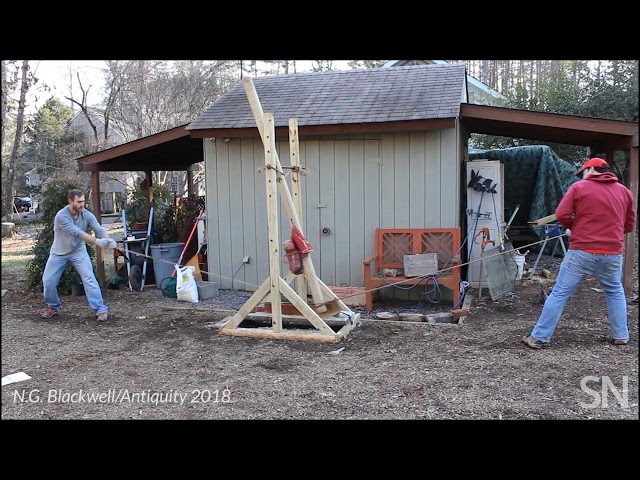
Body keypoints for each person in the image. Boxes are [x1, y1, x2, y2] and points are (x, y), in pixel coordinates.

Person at [523, 157, 636, 349]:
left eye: (583, 171)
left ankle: (539, 338)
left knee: (559, 293)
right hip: (612, 252)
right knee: (615, 291)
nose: (582, 175)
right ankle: (621, 335)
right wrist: (610, 233)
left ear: (591, 169)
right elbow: (629, 224)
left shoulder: (579, 187)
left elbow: (561, 215)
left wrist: (573, 227)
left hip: (582, 250)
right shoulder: (625, 192)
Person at [41, 189, 117, 321]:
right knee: (48, 282)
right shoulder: (61, 216)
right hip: (58, 253)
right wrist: (98, 241)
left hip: (78, 251)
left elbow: (98, 229)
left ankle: (100, 310)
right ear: (70, 201)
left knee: (89, 278)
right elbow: (77, 233)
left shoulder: (86, 214)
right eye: (79, 202)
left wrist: (107, 239)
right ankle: (53, 307)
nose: (82, 204)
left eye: (83, 201)